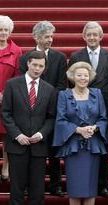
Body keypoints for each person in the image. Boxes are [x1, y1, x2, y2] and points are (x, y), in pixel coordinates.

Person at [68, 21, 108, 197]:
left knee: (102, 146)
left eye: (95, 34)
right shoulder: (76, 56)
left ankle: (102, 184)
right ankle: (81, 181)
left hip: (103, 109)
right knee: (82, 148)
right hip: (80, 108)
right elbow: (70, 82)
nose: (92, 37)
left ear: (101, 37)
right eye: (89, 34)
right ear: (84, 37)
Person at [2, 51, 57, 205]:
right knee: (17, 189)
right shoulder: (12, 85)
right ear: (28, 64)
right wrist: (17, 135)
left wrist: (41, 134)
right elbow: (6, 113)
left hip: (38, 146)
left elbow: (51, 117)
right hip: (16, 145)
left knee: (37, 190)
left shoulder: (49, 89)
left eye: (41, 66)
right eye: (35, 65)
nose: (37, 69)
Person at [19, 20, 67, 196]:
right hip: (29, 112)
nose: (50, 40)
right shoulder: (24, 58)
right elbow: (21, 85)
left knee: (54, 152)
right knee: (29, 154)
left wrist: (48, 102)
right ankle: (26, 186)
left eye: (51, 36)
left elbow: (62, 85)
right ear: (36, 37)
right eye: (46, 37)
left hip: (52, 111)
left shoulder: (60, 58)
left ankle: (56, 185)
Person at [53, 61, 108, 205]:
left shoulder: (97, 94)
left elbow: (104, 118)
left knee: (91, 190)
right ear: (72, 77)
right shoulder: (64, 95)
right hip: (73, 147)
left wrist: (94, 128)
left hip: (93, 146)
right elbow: (60, 120)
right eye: (79, 75)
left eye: (86, 75)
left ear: (90, 77)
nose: (83, 78)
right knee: (75, 189)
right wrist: (78, 130)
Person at [0, 15, 22, 183]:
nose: (2, 33)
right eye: (0, 30)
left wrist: (5, 94)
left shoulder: (17, 51)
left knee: (7, 135)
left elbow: (18, 77)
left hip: (6, 100)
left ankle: (6, 166)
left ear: (10, 32)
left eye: (6, 30)